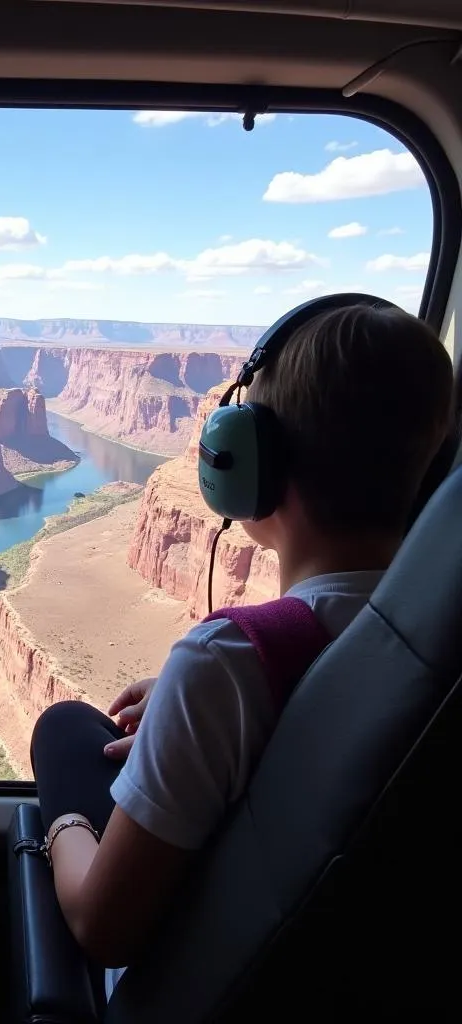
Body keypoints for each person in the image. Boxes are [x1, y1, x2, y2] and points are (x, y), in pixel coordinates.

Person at [29, 300, 455, 990]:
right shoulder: (437, 632)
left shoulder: (225, 661)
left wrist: (60, 830)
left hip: (203, 984)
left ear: (248, 465)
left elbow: (102, 930)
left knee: (66, 732)